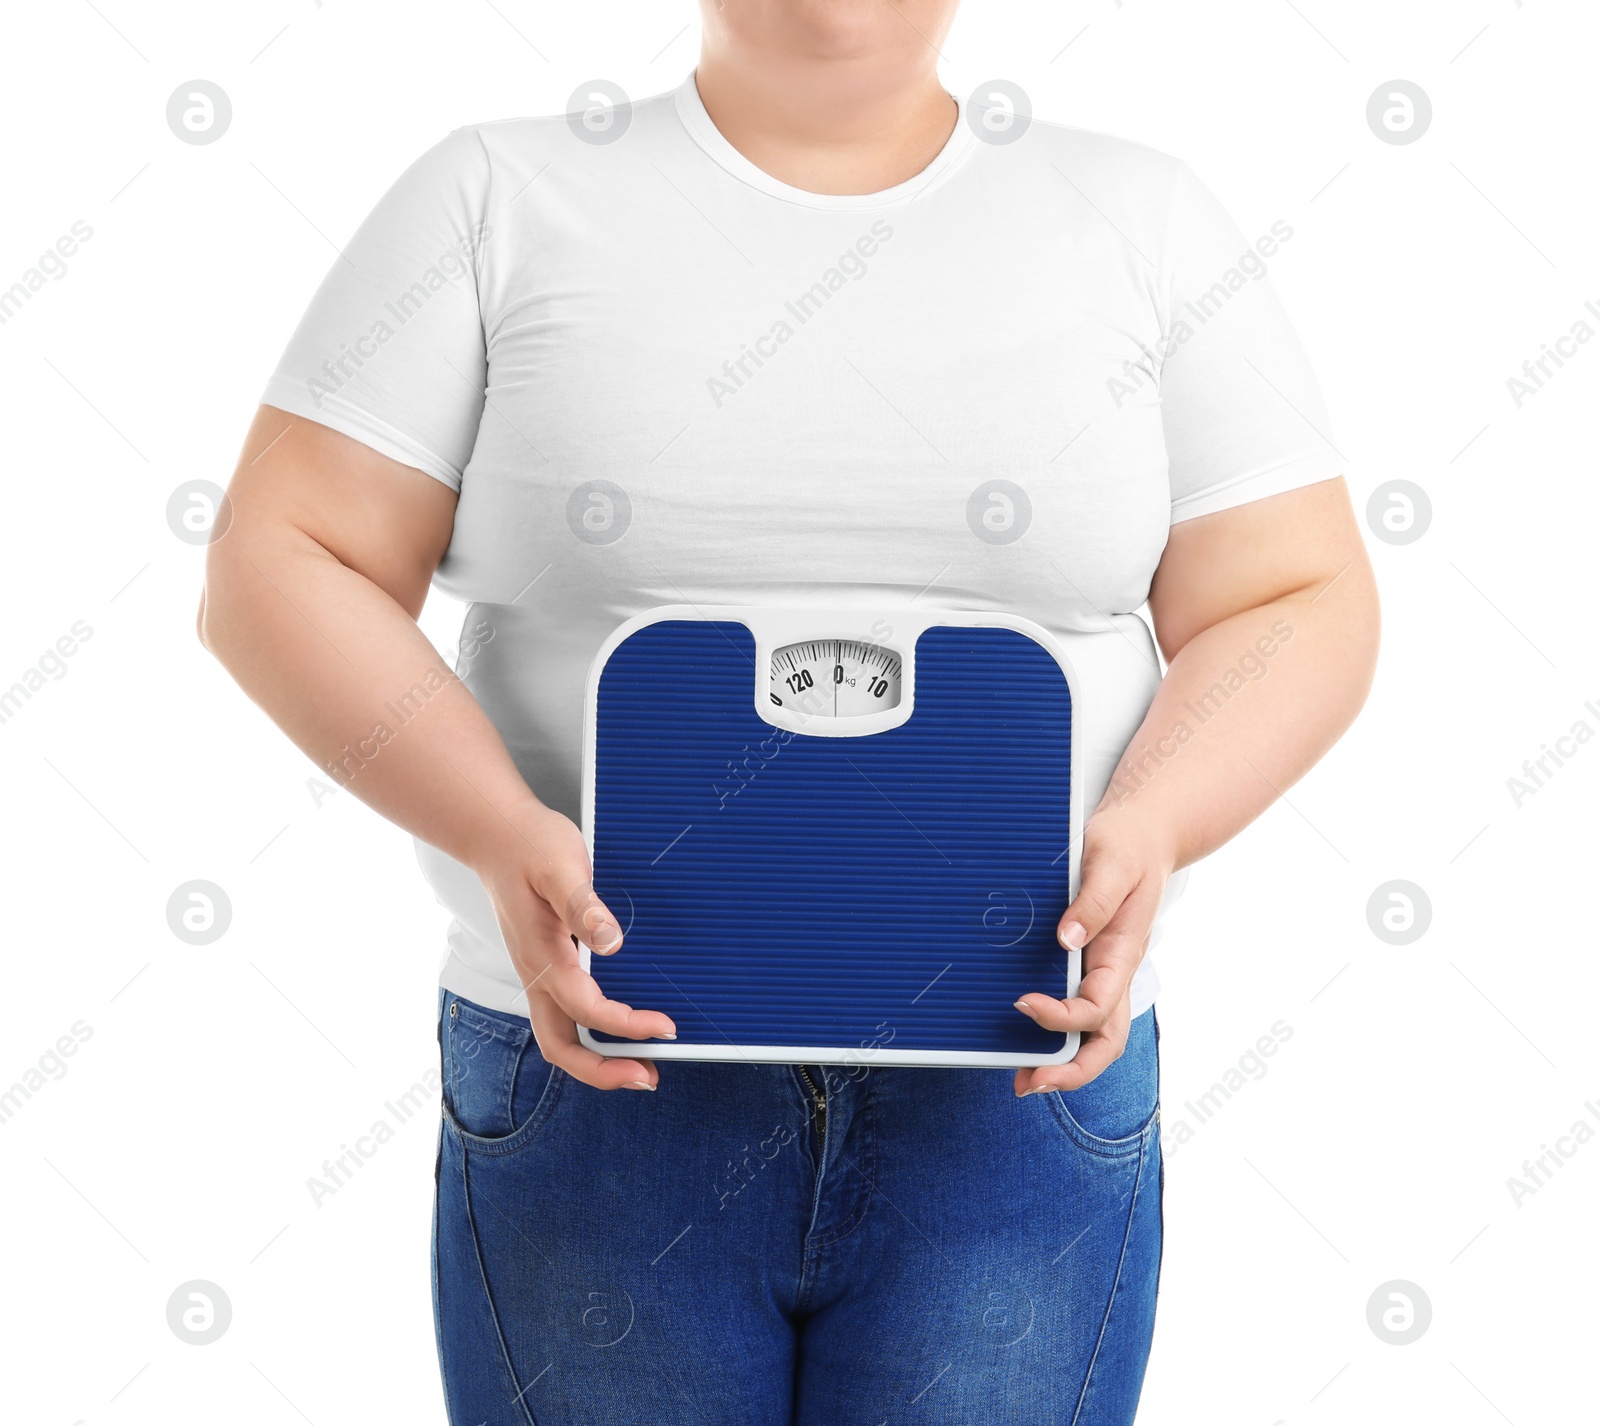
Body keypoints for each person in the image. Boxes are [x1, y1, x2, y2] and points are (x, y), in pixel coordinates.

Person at [198, 2, 1379, 1420]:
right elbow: (278, 561)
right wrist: (494, 827)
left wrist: (1161, 813)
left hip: (1020, 1077)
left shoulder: (1144, 220)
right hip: (599, 1078)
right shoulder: (495, 197)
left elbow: (1301, 596)